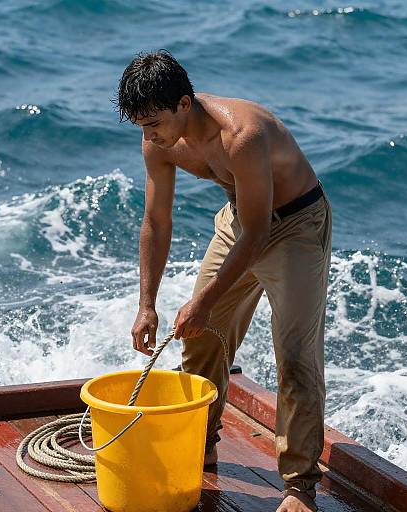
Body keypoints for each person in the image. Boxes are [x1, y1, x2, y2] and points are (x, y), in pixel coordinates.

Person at [118, 50, 332, 512]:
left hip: (294, 224)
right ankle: (201, 442)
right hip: (241, 217)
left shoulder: (242, 135)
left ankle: (299, 487)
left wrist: (202, 301)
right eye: (140, 125)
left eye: (153, 122)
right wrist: (147, 303)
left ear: (183, 103)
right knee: (202, 339)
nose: (148, 134)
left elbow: (261, 234)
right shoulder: (157, 139)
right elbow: (156, 221)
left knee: (295, 354)